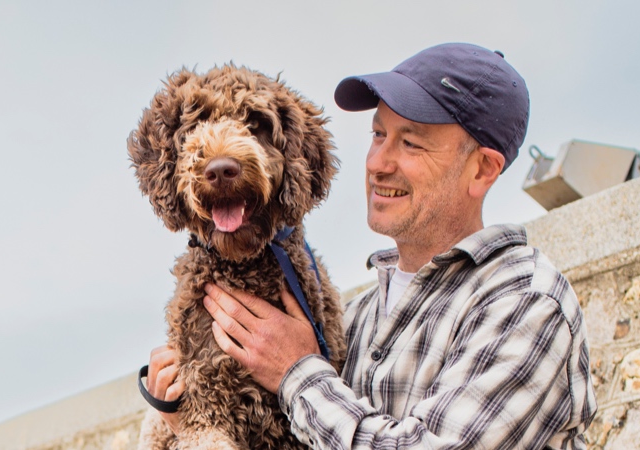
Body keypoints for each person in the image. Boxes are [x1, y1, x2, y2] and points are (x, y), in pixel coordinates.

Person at [143, 43, 596, 449]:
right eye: (378, 135)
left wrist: (296, 372)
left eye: (411, 143)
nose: (378, 163)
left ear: (481, 170)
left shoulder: (526, 303)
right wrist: (196, 420)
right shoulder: (355, 319)